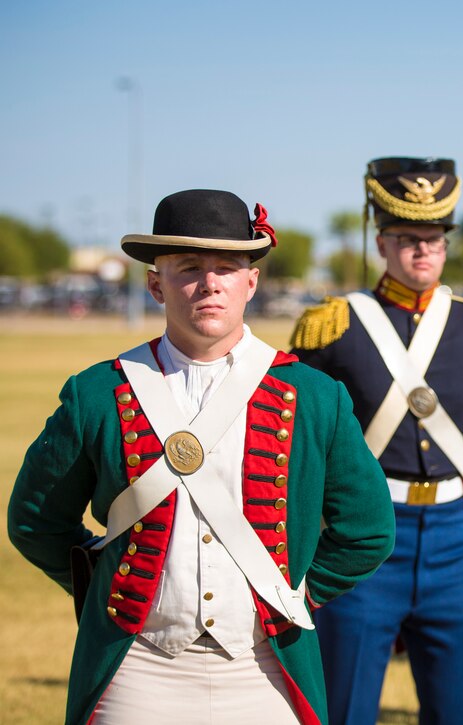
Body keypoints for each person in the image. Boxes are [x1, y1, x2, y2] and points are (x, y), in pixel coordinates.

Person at [8, 189, 395, 725]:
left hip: (264, 668)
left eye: (227, 267)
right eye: (188, 267)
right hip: (137, 668)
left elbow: (369, 529)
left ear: (251, 282)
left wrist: (295, 597)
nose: (209, 283)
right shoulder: (96, 394)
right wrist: (109, 590)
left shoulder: (313, 396)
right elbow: (35, 520)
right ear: (154, 283)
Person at [290, 157, 463, 725]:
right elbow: (297, 434)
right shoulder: (334, 327)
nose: (423, 251)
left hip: (452, 541)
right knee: (343, 709)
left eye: (434, 239)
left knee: (461, 711)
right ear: (381, 243)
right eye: (407, 239)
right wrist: (345, 499)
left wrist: (462, 481)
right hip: (362, 538)